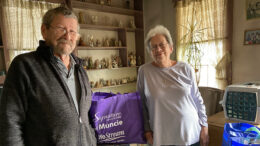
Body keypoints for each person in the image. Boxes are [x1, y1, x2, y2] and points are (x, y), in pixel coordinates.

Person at [0, 7, 96, 146]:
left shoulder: (80, 69)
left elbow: (85, 117)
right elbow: (10, 123)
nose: (67, 36)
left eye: (72, 31)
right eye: (61, 28)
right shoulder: (25, 65)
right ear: (44, 31)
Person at [137, 25, 209, 146]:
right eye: (153, 47)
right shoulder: (144, 71)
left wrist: (205, 127)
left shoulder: (185, 68)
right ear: (150, 52)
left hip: (191, 135)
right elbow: (141, 103)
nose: (158, 49)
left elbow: (197, 99)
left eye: (161, 45)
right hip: (162, 137)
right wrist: (147, 131)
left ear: (171, 47)